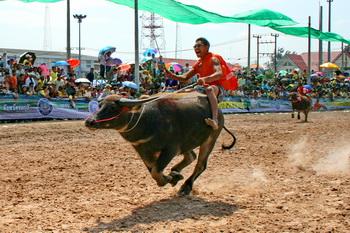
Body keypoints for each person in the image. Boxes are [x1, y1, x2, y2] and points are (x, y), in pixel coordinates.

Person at [165, 37, 232, 130]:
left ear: (206, 47)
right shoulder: (198, 63)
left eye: (198, 45)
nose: (196, 48)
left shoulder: (214, 59)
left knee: (209, 89)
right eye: (194, 46)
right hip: (202, 87)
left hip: (217, 88)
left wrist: (205, 79)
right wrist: (171, 75)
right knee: (185, 92)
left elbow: (219, 74)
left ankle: (215, 120)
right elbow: (185, 77)